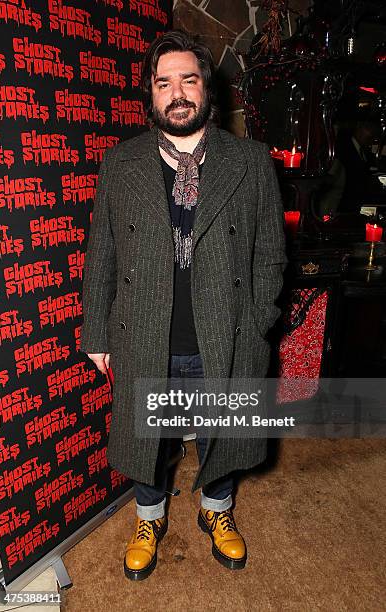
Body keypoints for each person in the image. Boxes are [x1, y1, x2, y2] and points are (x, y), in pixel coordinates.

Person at [79, 29, 286, 581]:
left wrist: (258, 324)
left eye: (187, 80)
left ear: (206, 88)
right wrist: (97, 334)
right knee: (150, 440)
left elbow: (270, 254)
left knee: (224, 434)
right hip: (147, 336)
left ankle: (217, 511)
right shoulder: (119, 165)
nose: (176, 93)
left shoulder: (250, 160)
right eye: (163, 82)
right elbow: (100, 256)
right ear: (149, 94)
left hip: (226, 334)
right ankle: (148, 517)